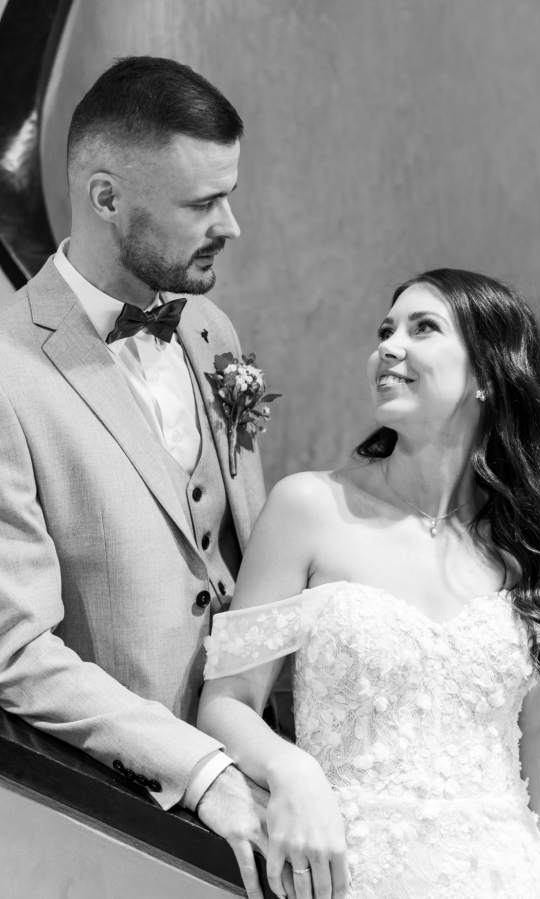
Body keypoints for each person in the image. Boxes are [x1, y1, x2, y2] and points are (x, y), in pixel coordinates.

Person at [198, 269, 540, 899]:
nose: (389, 346)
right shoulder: (309, 508)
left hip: (507, 877)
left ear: (488, 375)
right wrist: (289, 766)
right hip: (348, 877)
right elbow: (226, 702)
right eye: (386, 331)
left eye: (423, 328)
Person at [0, 55, 280, 896]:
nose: (231, 224)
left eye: (228, 194)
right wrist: (201, 769)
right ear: (106, 198)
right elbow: (15, 650)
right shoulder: (7, 373)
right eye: (201, 204)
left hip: (272, 787)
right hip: (120, 828)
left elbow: (245, 562)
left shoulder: (211, 329)